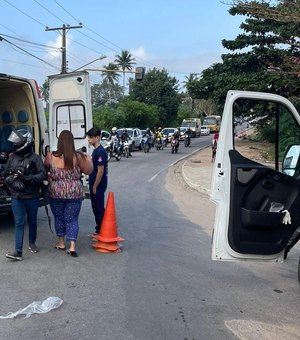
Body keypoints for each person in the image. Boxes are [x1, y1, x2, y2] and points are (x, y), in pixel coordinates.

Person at [44, 130, 93, 257]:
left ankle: (61, 243)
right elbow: (89, 171)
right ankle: (72, 246)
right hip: (74, 193)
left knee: (59, 218)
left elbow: (45, 169)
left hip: (56, 193)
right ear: (72, 141)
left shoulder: (50, 156)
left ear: (59, 141)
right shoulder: (79, 157)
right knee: (72, 219)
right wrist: (88, 158)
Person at [5, 129, 46, 261]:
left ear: (26, 143)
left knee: (32, 222)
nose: (15, 145)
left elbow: (42, 175)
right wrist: (11, 177)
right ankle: (18, 251)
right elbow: (5, 174)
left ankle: (32, 242)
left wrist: (26, 178)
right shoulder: (12, 158)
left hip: (32, 197)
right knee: (19, 223)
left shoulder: (36, 158)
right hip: (17, 197)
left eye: (18, 143)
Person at [87, 128, 108, 236]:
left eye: (91, 137)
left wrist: (95, 186)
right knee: (95, 207)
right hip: (93, 182)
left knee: (99, 208)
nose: (89, 140)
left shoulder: (100, 152)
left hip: (98, 185)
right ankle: (99, 230)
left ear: (97, 137)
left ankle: (103, 232)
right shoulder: (95, 150)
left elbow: (100, 172)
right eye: (88, 137)